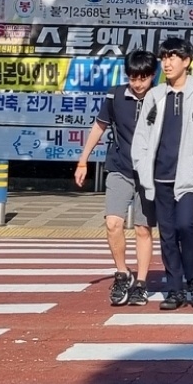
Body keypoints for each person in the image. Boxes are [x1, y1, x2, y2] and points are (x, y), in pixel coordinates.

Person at [132, 36, 193, 311]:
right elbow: (142, 138)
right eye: (164, 57)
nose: (166, 63)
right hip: (158, 178)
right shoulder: (156, 96)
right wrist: (143, 167)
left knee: (186, 225)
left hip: (189, 179)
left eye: (172, 57)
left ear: (187, 61)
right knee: (167, 234)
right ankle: (175, 289)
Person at [74, 49, 158, 307]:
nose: (138, 84)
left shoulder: (162, 98)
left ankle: (141, 283)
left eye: (143, 78)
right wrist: (83, 160)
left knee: (143, 228)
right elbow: (99, 126)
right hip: (119, 167)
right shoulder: (115, 95)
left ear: (153, 76)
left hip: (150, 173)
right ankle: (122, 273)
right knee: (113, 223)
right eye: (133, 78)